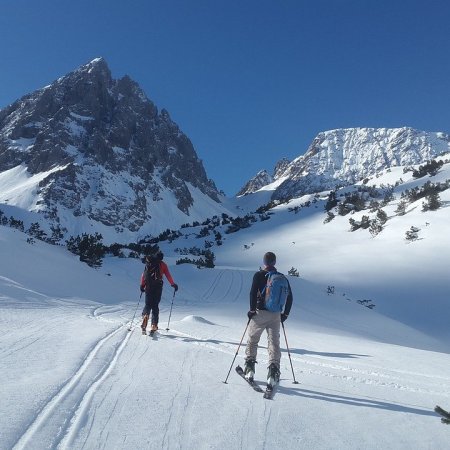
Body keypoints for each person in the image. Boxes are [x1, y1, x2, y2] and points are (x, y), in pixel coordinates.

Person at [244, 251, 293, 385]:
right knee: (273, 343)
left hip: (260, 313)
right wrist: (285, 315)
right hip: (276, 315)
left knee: (253, 340)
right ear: (275, 262)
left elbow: (253, 293)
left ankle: (249, 368)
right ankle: (273, 372)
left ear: (264, 262)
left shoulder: (259, 275)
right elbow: (290, 298)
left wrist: (252, 310)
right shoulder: (282, 277)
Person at [140, 251, 178, 333]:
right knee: (155, 305)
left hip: (148, 286)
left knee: (148, 304)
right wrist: (173, 284)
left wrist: (142, 285)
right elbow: (168, 275)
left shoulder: (149, 263)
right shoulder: (163, 264)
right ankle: (154, 324)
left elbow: (143, 275)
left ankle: (145, 316)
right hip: (158, 286)